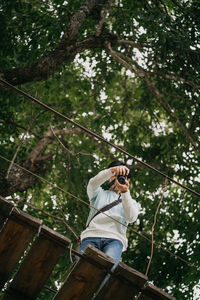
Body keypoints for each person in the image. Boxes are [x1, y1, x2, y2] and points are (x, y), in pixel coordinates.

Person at [80, 160, 140, 267]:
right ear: (109, 177)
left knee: (106, 270)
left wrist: (125, 191)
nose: (117, 179)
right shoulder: (99, 193)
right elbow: (92, 183)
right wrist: (111, 171)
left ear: (128, 180)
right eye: (115, 176)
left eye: (122, 177)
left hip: (115, 240)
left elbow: (131, 217)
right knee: (82, 268)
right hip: (91, 235)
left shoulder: (130, 201)